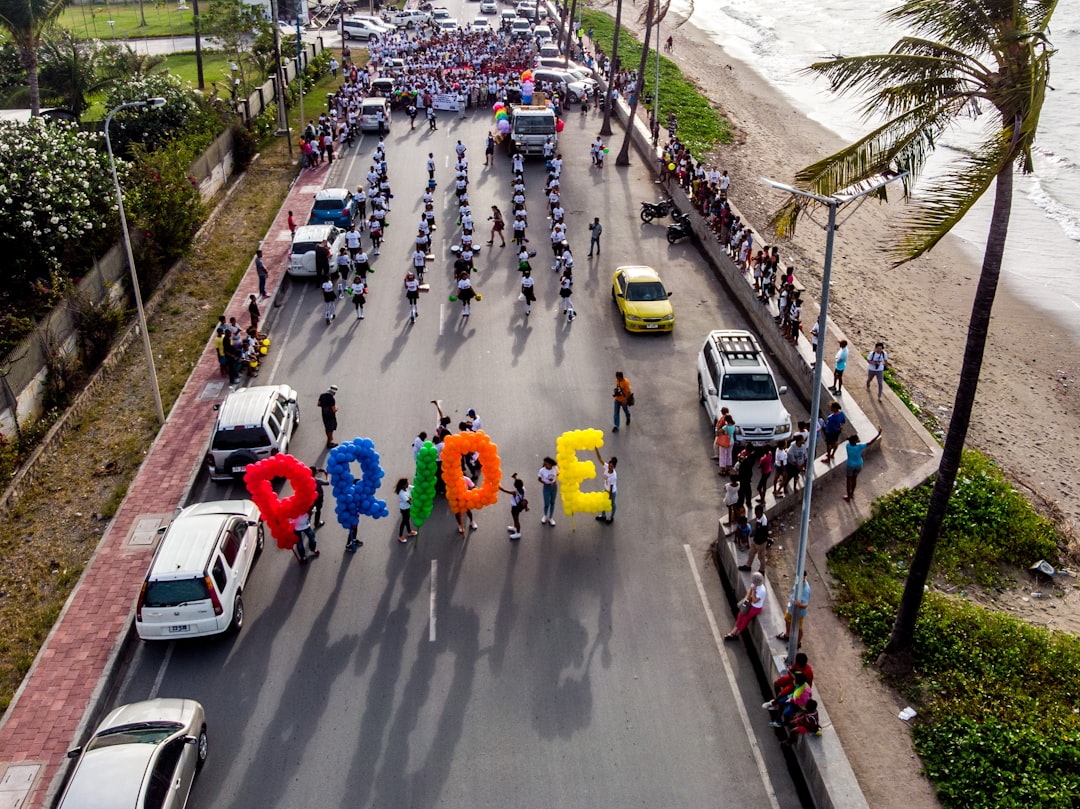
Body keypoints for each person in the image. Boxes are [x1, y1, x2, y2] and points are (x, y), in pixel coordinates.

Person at [843, 427, 882, 501]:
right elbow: (870, 442)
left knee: (849, 480)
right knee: (854, 479)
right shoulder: (859, 447)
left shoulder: (848, 446)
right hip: (859, 464)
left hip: (850, 465)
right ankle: (852, 494)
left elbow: (848, 439)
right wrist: (878, 435)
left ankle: (848, 496)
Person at [724, 571, 766, 639]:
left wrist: (753, 591)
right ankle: (733, 631)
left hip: (755, 607)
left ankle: (737, 633)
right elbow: (749, 593)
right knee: (740, 615)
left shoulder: (762, 590)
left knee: (745, 619)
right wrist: (746, 600)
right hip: (749, 602)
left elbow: (755, 601)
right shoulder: (754, 584)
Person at [777, 571, 811, 646]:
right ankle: (787, 635)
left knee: (799, 628)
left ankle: (798, 643)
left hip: (799, 612)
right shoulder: (798, 580)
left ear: (804, 577)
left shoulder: (805, 590)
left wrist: (799, 604)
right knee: (786, 619)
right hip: (791, 608)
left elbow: (805, 605)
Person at [740, 503, 769, 573]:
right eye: (755, 513)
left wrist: (759, 542)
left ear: (761, 513)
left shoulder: (764, 522)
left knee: (761, 557)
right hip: (756, 540)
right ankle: (748, 566)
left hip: (761, 543)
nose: (756, 515)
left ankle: (762, 570)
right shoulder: (759, 518)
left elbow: (764, 534)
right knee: (751, 553)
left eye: (758, 513)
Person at [498, 473, 528, 540]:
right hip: (519, 506)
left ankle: (518, 533)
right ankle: (515, 527)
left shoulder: (515, 493)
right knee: (515, 518)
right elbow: (518, 483)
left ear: (515, 486)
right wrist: (515, 477)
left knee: (516, 519)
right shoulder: (523, 488)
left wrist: (499, 487)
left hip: (515, 508)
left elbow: (505, 490)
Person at [594, 451, 617, 523]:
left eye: (611, 466)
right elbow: (600, 459)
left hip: (611, 492)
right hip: (606, 490)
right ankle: (603, 516)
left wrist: (610, 497)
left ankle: (611, 517)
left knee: (612, 504)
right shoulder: (607, 467)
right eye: (609, 466)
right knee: (603, 502)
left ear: (614, 467)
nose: (610, 467)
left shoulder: (613, 476)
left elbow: (611, 487)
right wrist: (596, 449)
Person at [395, 478, 418, 543]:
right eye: (406, 483)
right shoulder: (402, 494)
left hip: (408, 508)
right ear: (403, 485)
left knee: (407, 520)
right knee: (404, 522)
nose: (408, 484)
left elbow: (415, 488)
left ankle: (409, 531)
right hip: (404, 509)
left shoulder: (408, 487)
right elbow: (410, 502)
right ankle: (400, 536)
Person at [537, 457, 558, 526]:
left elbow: (558, 474)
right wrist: (545, 483)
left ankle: (551, 518)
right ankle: (545, 516)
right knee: (546, 503)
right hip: (546, 488)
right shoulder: (542, 470)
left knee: (552, 502)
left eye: (546, 464)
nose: (545, 465)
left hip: (554, 487)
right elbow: (539, 479)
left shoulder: (555, 468)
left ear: (550, 464)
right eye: (544, 464)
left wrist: (554, 481)